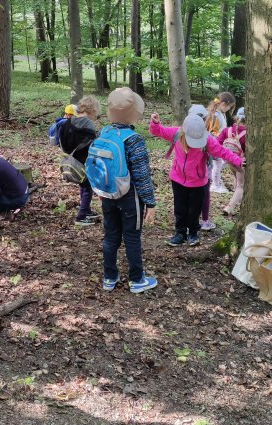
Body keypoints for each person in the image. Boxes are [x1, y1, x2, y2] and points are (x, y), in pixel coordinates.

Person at [150, 112, 244, 247]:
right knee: (180, 209)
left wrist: (239, 161)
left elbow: (223, 152)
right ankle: (180, 233)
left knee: (194, 210)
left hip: (198, 182)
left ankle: (193, 233)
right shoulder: (176, 133)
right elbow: (158, 131)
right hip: (178, 179)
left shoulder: (208, 140)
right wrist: (155, 122)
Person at [98, 87, 157, 294]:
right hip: (130, 197)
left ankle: (109, 277)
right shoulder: (134, 139)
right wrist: (150, 202)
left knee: (111, 235)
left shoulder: (104, 132)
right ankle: (137, 279)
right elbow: (141, 175)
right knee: (132, 237)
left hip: (107, 193)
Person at [58, 96, 101, 226]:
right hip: (85, 161)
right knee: (88, 188)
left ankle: (86, 210)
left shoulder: (67, 122)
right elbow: (93, 144)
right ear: (92, 110)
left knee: (83, 186)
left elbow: (61, 140)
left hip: (72, 161)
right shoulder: (89, 124)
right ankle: (81, 216)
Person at [201, 92, 236, 232]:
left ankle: (215, 183)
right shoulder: (215, 115)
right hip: (214, 144)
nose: (228, 110)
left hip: (217, 144)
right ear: (224, 104)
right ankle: (214, 184)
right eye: (229, 107)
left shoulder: (218, 113)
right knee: (216, 164)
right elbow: (212, 131)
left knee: (218, 164)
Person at [217, 107, 246, 216]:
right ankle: (229, 207)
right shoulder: (247, 134)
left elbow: (217, 143)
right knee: (240, 185)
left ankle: (237, 199)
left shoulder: (227, 130)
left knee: (235, 179)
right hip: (240, 162)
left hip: (228, 160)